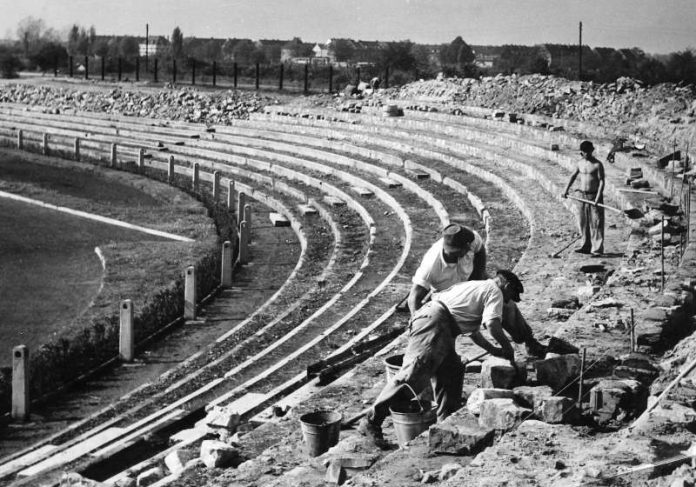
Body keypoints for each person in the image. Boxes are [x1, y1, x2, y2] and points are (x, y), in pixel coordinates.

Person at [359, 270, 529, 444]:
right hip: (435, 322)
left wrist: (493, 350)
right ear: (507, 286)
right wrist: (508, 347)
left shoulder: (480, 287)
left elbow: (473, 332)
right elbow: (492, 324)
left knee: (452, 371)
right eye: (510, 296)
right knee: (414, 375)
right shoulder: (495, 291)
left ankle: (445, 427)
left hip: (443, 325)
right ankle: (372, 420)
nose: (508, 301)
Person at [407, 223, 546, 357]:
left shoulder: (471, 239)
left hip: (472, 283)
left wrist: (479, 277)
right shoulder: (431, 266)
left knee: (507, 304)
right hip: (448, 300)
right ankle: (449, 358)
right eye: (466, 248)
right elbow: (414, 298)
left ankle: (530, 342)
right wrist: (419, 328)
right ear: (457, 250)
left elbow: (480, 250)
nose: (470, 248)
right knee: (450, 330)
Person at [562, 140, 605, 256]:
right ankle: (585, 246)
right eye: (584, 152)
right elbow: (573, 176)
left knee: (596, 222)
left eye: (589, 151)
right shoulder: (580, 163)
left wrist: (598, 197)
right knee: (583, 222)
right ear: (581, 152)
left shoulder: (597, 164)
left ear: (592, 150)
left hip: (593, 195)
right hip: (582, 196)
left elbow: (601, 181)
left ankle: (597, 249)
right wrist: (565, 189)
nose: (587, 154)